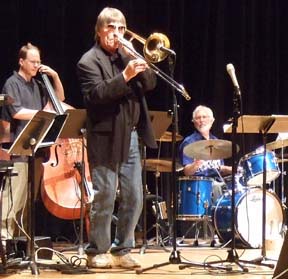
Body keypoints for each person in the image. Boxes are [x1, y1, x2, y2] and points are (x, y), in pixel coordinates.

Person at [77, 7, 157, 269]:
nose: (117, 33)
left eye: (121, 28)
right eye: (111, 27)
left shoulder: (127, 56)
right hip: (104, 136)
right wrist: (125, 76)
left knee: (135, 194)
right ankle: (96, 250)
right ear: (100, 30)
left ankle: (123, 248)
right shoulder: (88, 61)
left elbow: (150, 84)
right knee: (106, 195)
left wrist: (134, 57)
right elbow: (96, 96)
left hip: (131, 136)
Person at [1, 42, 65, 240]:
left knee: (29, 200)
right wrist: (42, 114)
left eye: (39, 62)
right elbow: (17, 112)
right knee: (14, 198)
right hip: (19, 148)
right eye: (32, 61)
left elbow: (59, 101)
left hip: (37, 149)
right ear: (21, 61)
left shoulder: (37, 85)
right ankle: (4, 238)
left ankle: (21, 244)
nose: (36, 65)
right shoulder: (12, 83)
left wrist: (54, 76)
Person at [179, 105, 232, 204]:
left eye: (204, 117)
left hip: (217, 183)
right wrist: (196, 164)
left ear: (212, 121)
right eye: (198, 118)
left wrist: (230, 169)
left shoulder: (217, 142)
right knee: (217, 187)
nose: (201, 120)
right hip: (199, 186)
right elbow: (186, 171)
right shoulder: (189, 143)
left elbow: (219, 169)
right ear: (194, 122)